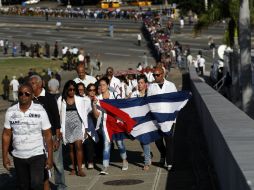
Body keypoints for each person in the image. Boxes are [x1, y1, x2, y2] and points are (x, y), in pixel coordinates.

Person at [2, 83, 53, 190]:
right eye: (20, 94)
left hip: (37, 154)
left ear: (32, 95)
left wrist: (50, 157)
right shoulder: (11, 111)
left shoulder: (40, 110)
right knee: (23, 186)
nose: (23, 96)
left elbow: (47, 134)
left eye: (27, 94)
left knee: (37, 184)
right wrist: (5, 156)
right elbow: (6, 135)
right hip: (18, 156)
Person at [28, 75, 67, 190]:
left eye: (33, 83)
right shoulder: (29, 98)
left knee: (57, 163)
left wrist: (57, 138)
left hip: (52, 135)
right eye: (30, 83)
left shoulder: (49, 98)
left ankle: (61, 186)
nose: (31, 85)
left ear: (40, 84)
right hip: (36, 137)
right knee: (40, 164)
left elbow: (56, 118)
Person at [92, 77, 128, 175]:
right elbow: (96, 115)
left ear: (108, 85)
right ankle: (105, 166)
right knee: (106, 145)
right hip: (105, 124)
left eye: (104, 85)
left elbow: (122, 107)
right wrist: (94, 106)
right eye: (100, 85)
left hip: (116, 123)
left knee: (119, 143)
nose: (102, 87)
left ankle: (124, 160)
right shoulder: (98, 99)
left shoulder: (115, 95)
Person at [57, 80, 91, 177]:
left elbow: (84, 114)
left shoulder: (80, 100)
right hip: (66, 125)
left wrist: (85, 128)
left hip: (78, 124)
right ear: (66, 90)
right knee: (71, 148)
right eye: (70, 89)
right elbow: (59, 115)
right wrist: (59, 129)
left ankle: (80, 169)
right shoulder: (61, 100)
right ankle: (73, 167)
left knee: (79, 146)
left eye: (73, 89)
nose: (72, 91)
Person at [147, 67, 177, 171]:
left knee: (169, 140)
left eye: (157, 75)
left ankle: (170, 163)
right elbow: (148, 102)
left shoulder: (171, 86)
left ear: (162, 74)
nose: (155, 77)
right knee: (158, 141)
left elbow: (176, 100)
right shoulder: (151, 87)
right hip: (156, 119)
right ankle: (163, 154)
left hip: (169, 118)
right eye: (154, 75)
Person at [130, 75, 152, 170]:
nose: (139, 84)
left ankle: (147, 162)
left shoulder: (150, 93)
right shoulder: (134, 94)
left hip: (148, 120)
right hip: (137, 120)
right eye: (138, 83)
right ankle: (148, 156)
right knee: (142, 141)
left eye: (141, 83)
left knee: (145, 140)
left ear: (146, 84)